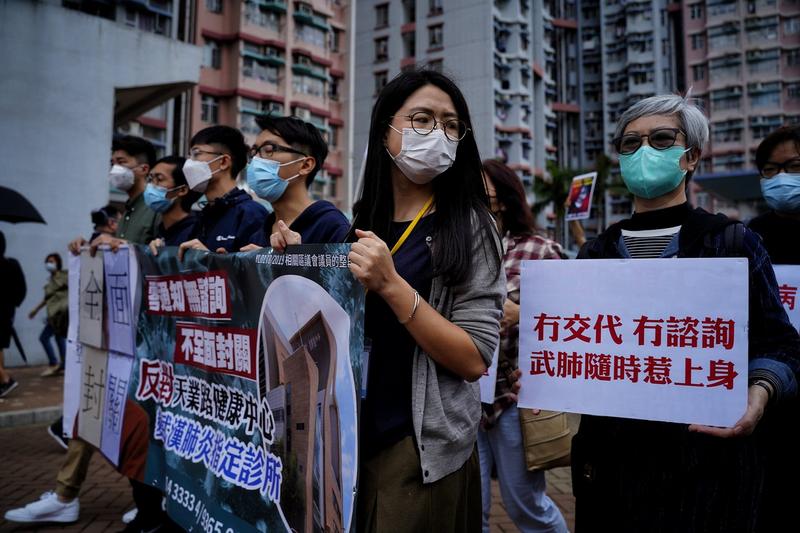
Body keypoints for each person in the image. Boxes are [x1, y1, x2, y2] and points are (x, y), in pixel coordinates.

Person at [571, 93, 800, 531]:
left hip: (705, 468)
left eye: (660, 139)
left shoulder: (733, 243)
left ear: (691, 157)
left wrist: (760, 390)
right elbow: (577, 342)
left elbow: (781, 343)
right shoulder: (596, 252)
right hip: (611, 467)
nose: (643, 153)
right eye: (630, 143)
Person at [349, 68, 505, 532]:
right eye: (421, 119)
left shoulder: (472, 227)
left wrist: (393, 286)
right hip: (352, 433)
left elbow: (475, 358)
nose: (438, 133)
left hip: (416, 444)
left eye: (451, 124)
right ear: (386, 132)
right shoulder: (360, 221)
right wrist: (288, 260)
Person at [478, 159, 568, 533]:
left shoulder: (540, 249)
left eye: (481, 189)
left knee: (525, 505)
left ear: (503, 196)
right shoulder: (458, 248)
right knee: (470, 507)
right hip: (464, 396)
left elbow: (570, 321)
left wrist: (523, 313)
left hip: (514, 398)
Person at [747, 125, 800, 532]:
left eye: (792, 166)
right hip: (769, 392)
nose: (780, 178)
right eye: (769, 170)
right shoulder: (750, 236)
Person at [243, 114, 350, 251]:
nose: (256, 160)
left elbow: (338, 273)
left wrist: (293, 259)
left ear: (305, 165)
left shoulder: (331, 226)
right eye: (253, 152)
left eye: (269, 149)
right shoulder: (258, 236)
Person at [177, 125, 267, 258]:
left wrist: (211, 258)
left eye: (196, 154)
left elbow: (256, 272)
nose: (189, 163)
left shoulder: (251, 214)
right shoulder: (203, 215)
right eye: (189, 156)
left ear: (224, 162)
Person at [28, 253, 68, 377]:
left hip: (61, 313)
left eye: (51, 261)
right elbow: (47, 299)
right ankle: (63, 365)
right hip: (53, 315)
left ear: (58, 263)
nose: (49, 264)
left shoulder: (64, 276)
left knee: (44, 338)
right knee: (59, 338)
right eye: (47, 262)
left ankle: (53, 363)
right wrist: (35, 310)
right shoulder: (50, 281)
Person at [0, 230, 26, 398]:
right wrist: (13, 304)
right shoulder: (12, 264)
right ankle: (2, 381)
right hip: (7, 312)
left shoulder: (10, 264)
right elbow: (21, 289)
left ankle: (5, 380)